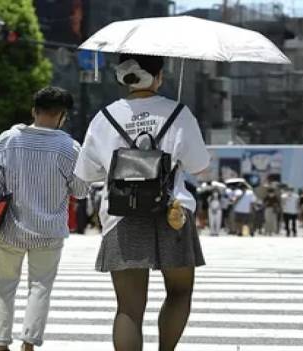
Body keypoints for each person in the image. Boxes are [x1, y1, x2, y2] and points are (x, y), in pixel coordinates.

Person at [73, 54, 210, 351]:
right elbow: (199, 165)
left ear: (123, 78)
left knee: (128, 308)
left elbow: (86, 172)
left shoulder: (104, 117)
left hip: (122, 215)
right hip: (173, 212)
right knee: (179, 291)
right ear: (159, 76)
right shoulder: (178, 113)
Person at [0, 87, 89, 351]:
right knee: (40, 287)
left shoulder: (8, 139)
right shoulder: (70, 148)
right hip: (49, 231)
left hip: (10, 229)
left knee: (3, 286)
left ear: (33, 111)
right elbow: (81, 191)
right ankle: (29, 344)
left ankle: (1, 345)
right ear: (62, 116)